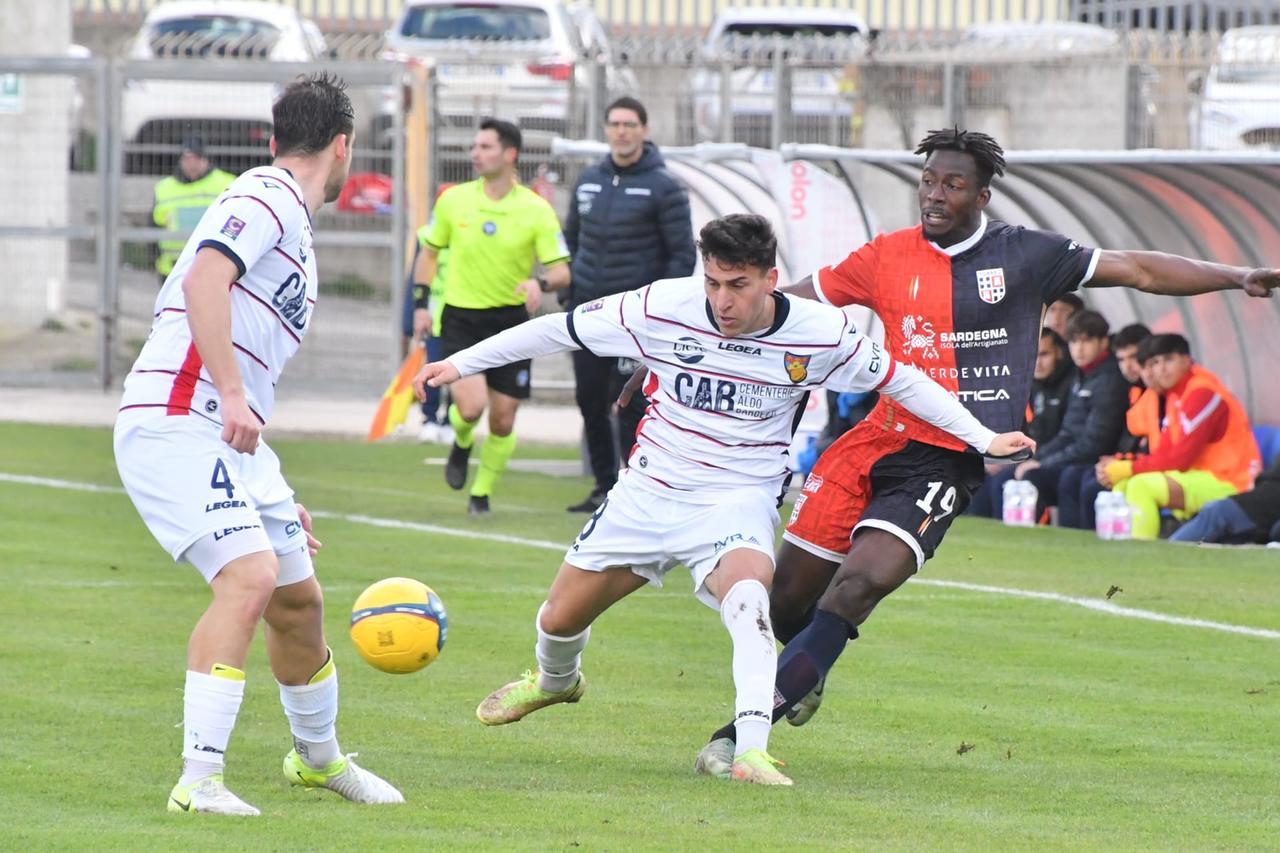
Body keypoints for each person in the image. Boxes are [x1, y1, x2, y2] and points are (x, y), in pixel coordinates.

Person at [689, 127, 1280, 773]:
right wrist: (698, 336)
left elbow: (1137, 267)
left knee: (858, 586)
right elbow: (791, 300)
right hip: (872, 443)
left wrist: (1238, 275)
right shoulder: (886, 255)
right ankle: (809, 666)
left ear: (983, 194)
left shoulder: (1028, 256)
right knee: (782, 605)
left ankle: (733, 742)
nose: (935, 195)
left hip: (945, 458)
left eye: (953, 184)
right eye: (929, 182)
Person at [413, 214, 1034, 785]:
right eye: (711, 282)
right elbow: (560, 328)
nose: (721, 300)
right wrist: (458, 363)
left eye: (736, 284)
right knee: (557, 620)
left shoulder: (821, 333)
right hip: (648, 491)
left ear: (770, 279)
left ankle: (750, 750)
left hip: (737, 497)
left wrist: (981, 436)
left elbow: (902, 379)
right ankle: (555, 682)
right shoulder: (660, 305)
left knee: (749, 605)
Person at [114, 74, 403, 816]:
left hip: (233, 440)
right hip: (181, 412)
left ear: (277, 137)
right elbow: (205, 280)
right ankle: (198, 778)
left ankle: (318, 760)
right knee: (248, 576)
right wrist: (235, 394)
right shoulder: (267, 195)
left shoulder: (288, 216)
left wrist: (254, 464)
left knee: (298, 600)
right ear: (343, 148)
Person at [415, 118, 571, 515]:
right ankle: (462, 439)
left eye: (485, 147)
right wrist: (420, 303)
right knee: (470, 408)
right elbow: (429, 252)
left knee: (502, 420)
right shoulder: (453, 200)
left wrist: (541, 283)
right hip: (461, 319)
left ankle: (480, 494)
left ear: (510, 154)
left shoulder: (536, 209)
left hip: (512, 323)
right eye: (475, 146)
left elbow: (561, 271)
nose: (475, 154)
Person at [563, 96, 696, 513]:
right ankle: (602, 485)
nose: (622, 131)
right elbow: (572, 241)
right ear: (606, 129)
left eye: (630, 124)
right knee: (588, 398)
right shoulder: (588, 180)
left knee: (630, 403)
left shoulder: (664, 186)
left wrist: (660, 311)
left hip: (636, 319)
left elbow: (682, 255)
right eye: (615, 123)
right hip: (588, 313)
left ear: (644, 130)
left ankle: (638, 487)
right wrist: (570, 293)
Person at [1097, 333, 1261, 540]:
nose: (1161, 369)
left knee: (1141, 485)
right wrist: (1125, 464)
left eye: (1169, 360)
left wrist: (1128, 467)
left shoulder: (1202, 392)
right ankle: (1114, 550)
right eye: (1156, 362)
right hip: (1199, 476)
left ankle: (1138, 554)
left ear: (1186, 360)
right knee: (1124, 483)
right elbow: (1165, 452)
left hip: (1230, 481)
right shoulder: (1176, 394)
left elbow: (1180, 460)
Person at [987, 309, 1130, 521]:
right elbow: (1068, 433)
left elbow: (1095, 442)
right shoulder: (1084, 376)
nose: (1079, 349)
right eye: (1074, 342)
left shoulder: (1108, 380)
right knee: (1008, 477)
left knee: (1063, 479)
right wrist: (1036, 458)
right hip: (1076, 458)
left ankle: (1071, 544)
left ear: (1103, 342)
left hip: (1095, 461)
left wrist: (1043, 463)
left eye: (1087, 341)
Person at [967, 326, 1076, 516]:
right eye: (1033, 355)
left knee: (1008, 480)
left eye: (1044, 354)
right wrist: (1001, 457)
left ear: (1059, 353)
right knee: (981, 476)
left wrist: (1037, 459)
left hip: (1059, 459)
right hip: (1034, 456)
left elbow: (1071, 435)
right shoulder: (1027, 386)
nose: (1037, 363)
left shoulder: (1071, 384)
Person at [1057, 322, 1152, 530]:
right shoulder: (1135, 391)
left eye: (1133, 358)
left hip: (1149, 470)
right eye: (1121, 359)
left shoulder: (1146, 391)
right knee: (1074, 477)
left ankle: (1095, 549)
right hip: (1126, 463)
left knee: (1089, 485)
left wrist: (1121, 461)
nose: (1128, 366)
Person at [408, 183, 457, 444]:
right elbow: (415, 278)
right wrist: (417, 311)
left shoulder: (465, 234)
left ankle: (450, 422)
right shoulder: (427, 234)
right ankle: (428, 419)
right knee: (431, 372)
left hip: (460, 315)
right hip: (435, 316)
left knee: (460, 373)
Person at [152, 137, 236, 287]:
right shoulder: (164, 188)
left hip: (213, 268)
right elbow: (153, 227)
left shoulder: (226, 183)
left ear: (205, 160)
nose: (191, 164)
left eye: (196, 159)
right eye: (187, 159)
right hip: (172, 269)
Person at [1169, 457, 1280, 545]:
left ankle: (1169, 552)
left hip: (1263, 504)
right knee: (1215, 513)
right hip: (1260, 500)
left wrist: (1259, 479)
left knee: (1216, 512)